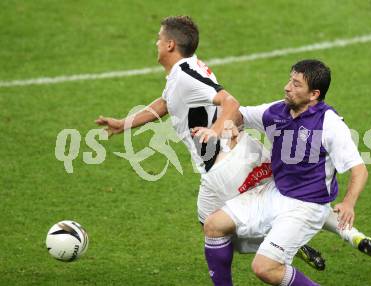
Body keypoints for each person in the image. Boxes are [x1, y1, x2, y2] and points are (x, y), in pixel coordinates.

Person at [95, 16, 323, 269]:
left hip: (223, 162)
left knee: (223, 228)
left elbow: (230, 102)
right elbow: (166, 102)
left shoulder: (185, 75)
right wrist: (124, 123)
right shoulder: (184, 70)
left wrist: (215, 129)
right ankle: (280, 239)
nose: (156, 43)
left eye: (159, 38)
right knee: (211, 225)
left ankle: (280, 241)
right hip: (230, 155)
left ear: (170, 45)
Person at [201, 59, 371, 285]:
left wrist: (349, 203)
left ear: (314, 94)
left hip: (306, 207)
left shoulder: (329, 124)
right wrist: (226, 126)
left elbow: (359, 170)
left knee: (264, 268)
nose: (287, 87)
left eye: (296, 84)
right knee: (213, 225)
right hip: (275, 192)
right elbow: (240, 114)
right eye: (289, 80)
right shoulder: (277, 111)